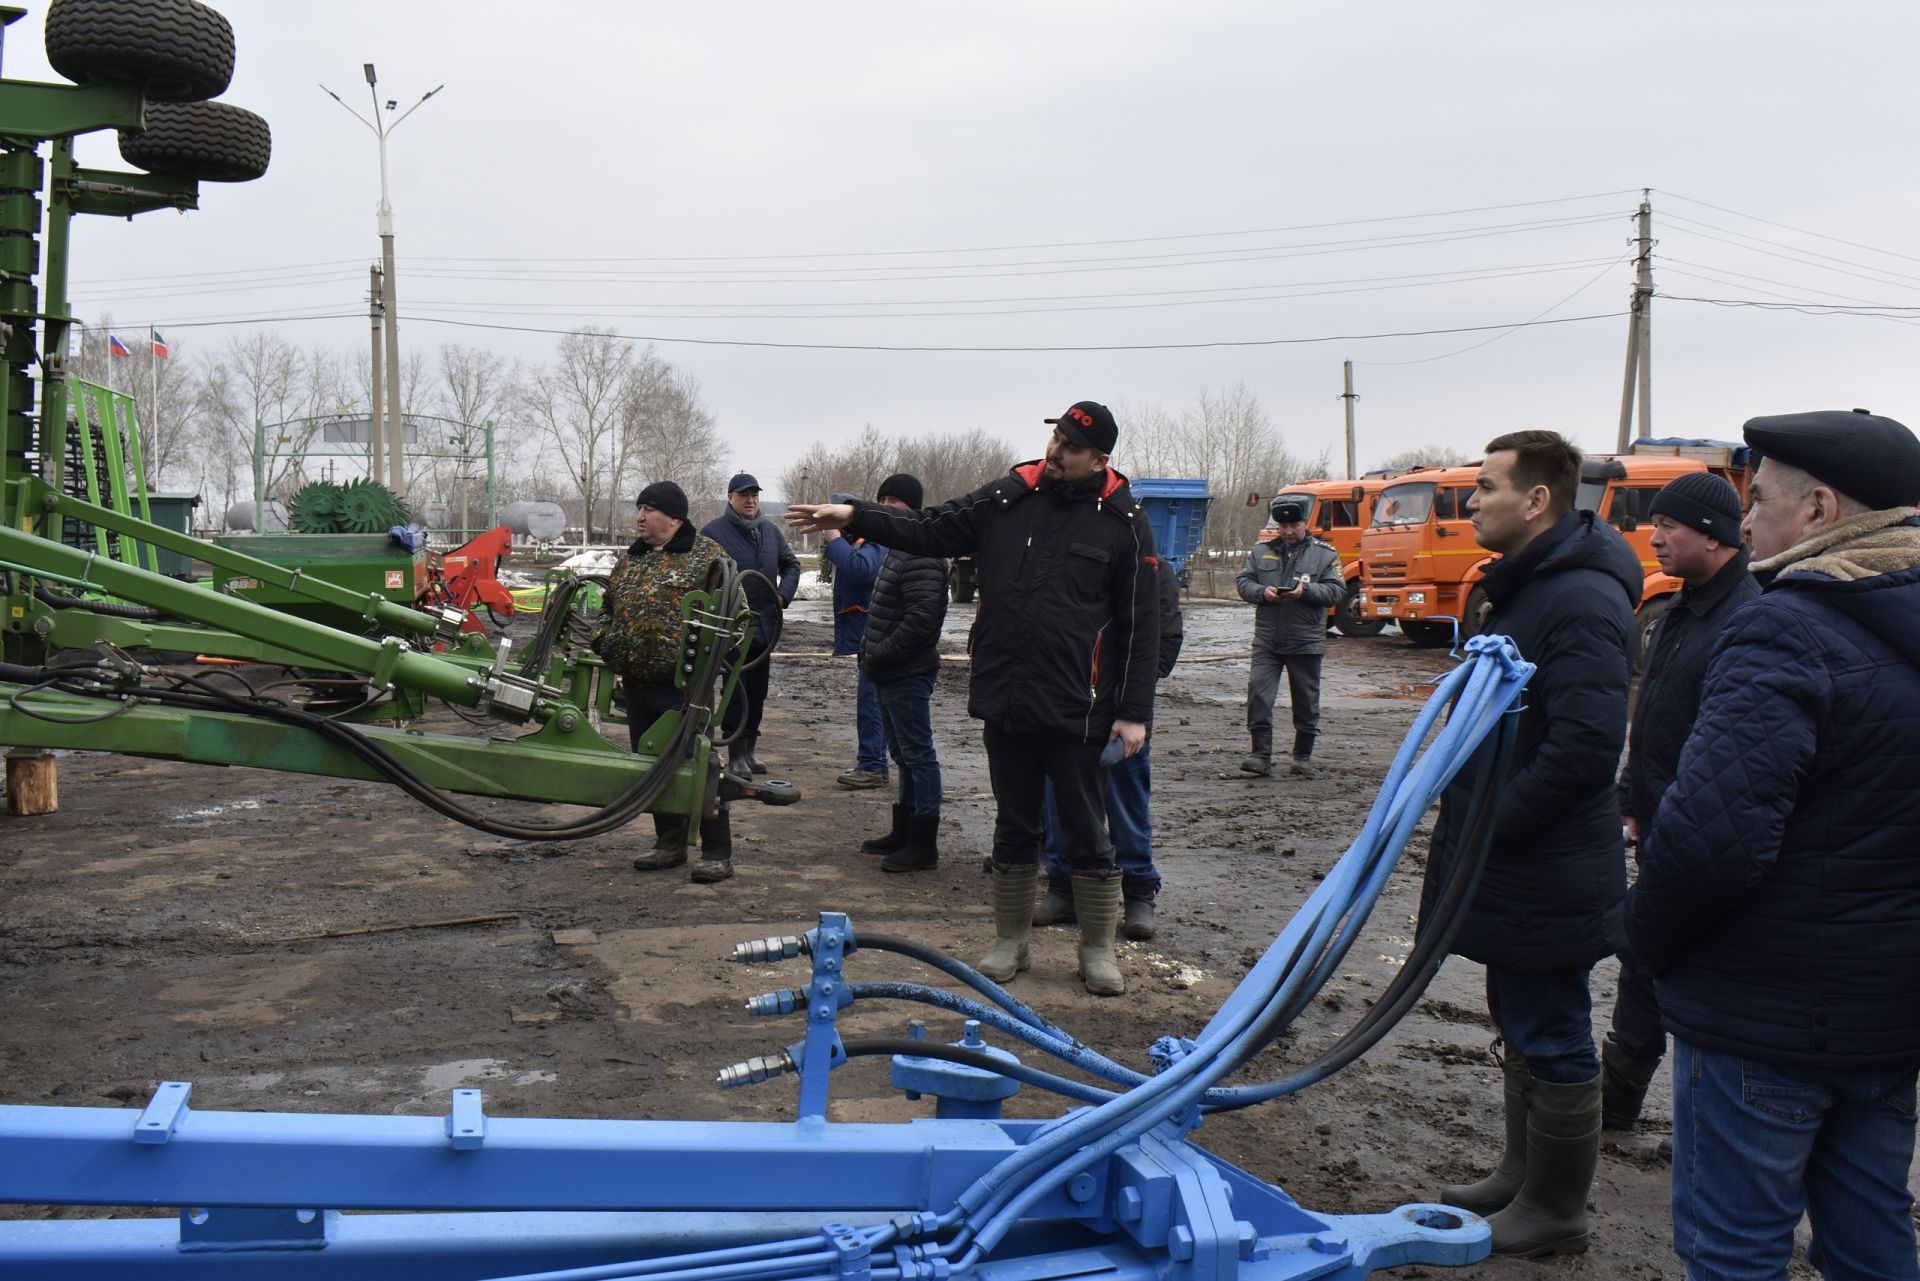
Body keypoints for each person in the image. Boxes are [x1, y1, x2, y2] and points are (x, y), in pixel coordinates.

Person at [1626, 409, 1920, 1281]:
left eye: (1759, 503)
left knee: (1734, 1251)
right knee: (1872, 1237)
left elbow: (1710, 845)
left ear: (1820, 508)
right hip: (1890, 1013)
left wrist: (1642, 940)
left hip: (1763, 1016)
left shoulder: (1786, 627)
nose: (1744, 521)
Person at [786, 400, 1160, 996]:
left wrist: (1134, 712)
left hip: (1079, 705)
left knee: (1088, 832)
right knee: (1014, 825)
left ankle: (1096, 949)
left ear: (1101, 459)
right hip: (1008, 695)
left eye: (1070, 447)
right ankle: (1010, 940)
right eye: (1055, 439)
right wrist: (858, 514)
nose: (1055, 452)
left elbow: (1142, 622)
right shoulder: (1009, 498)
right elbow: (930, 528)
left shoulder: (1122, 520)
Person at [1421, 429, 1641, 1258]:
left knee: (1552, 1025)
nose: (1472, 501)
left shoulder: (1579, 599)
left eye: (1485, 487)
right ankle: (1521, 1172)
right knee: (1519, 1014)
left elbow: (1586, 748)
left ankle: (1555, 1207)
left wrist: (1490, 821)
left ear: (1538, 499)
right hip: (1515, 859)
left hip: (1542, 862)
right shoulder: (1528, 589)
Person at [1603, 472, 1759, 1135]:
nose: (1655, 535)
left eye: (1670, 525)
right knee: (1641, 953)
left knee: (1689, 962)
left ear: (1716, 536)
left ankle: (1722, 1114)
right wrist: (1631, 798)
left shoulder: (1750, 616)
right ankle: (1617, 1105)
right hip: (1663, 820)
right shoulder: (1675, 611)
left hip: (1710, 833)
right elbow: (1656, 720)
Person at [1035, 543, 1183, 938]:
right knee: (1058, 798)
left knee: (1126, 802)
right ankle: (1063, 887)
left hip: (1120, 712)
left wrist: (1130, 701)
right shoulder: (1066, 562)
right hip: (1064, 707)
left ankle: (1139, 892)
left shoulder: (1151, 569)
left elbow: (1164, 644)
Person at [597, 481, 738, 884]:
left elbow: (735, 615)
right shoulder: (631, 561)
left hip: (685, 689)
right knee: (653, 763)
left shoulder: (708, 558)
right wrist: (603, 641)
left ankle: (716, 850)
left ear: (674, 517)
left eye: (649, 509)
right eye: (638, 509)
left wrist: (710, 662)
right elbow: (607, 609)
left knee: (700, 764)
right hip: (637, 684)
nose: (639, 517)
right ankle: (670, 843)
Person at [850, 473, 951, 873]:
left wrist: (880, 655)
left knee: (919, 755)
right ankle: (906, 830)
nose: (887, 506)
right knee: (903, 755)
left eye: (895, 500)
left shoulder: (924, 553)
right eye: (882, 499)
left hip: (906, 671)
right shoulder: (899, 547)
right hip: (888, 671)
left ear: (912, 507)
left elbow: (922, 620)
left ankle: (924, 843)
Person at [701, 473, 801, 777]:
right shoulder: (713, 533)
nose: (751, 500)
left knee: (758, 691)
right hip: (731, 627)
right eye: (744, 495)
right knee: (735, 690)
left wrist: (782, 596)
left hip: (765, 626)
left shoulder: (770, 532)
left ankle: (750, 750)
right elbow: (703, 578)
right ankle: (734, 754)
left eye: (755, 495)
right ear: (731, 498)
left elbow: (792, 564)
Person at [1236, 498, 1345, 775]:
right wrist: (1263, 592)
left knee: (1306, 701)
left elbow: (1336, 591)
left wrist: (1305, 592)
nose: (1288, 531)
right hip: (1268, 641)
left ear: (1305, 523)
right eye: (1283, 526)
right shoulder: (1260, 552)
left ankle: (1302, 757)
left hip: (1305, 640)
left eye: (1293, 525)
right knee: (1258, 693)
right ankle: (1260, 755)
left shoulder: (1325, 554)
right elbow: (1244, 582)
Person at [820, 492, 889, 790]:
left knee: (872, 702)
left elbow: (861, 571)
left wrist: (834, 540)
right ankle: (875, 763)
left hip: (879, 637)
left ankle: (873, 765)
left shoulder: (876, 538)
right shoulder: (865, 538)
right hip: (872, 635)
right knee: (875, 702)